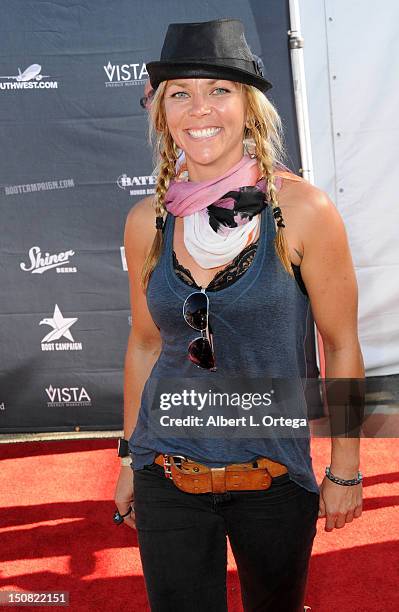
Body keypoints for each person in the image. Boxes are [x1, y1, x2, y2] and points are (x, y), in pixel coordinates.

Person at [114, 18, 364, 612]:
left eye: (218, 90)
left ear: (249, 107)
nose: (200, 108)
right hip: (166, 470)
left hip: (273, 476)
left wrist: (347, 468)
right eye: (181, 93)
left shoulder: (302, 210)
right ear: (162, 114)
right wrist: (127, 456)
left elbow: (342, 343)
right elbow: (147, 345)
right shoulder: (145, 220)